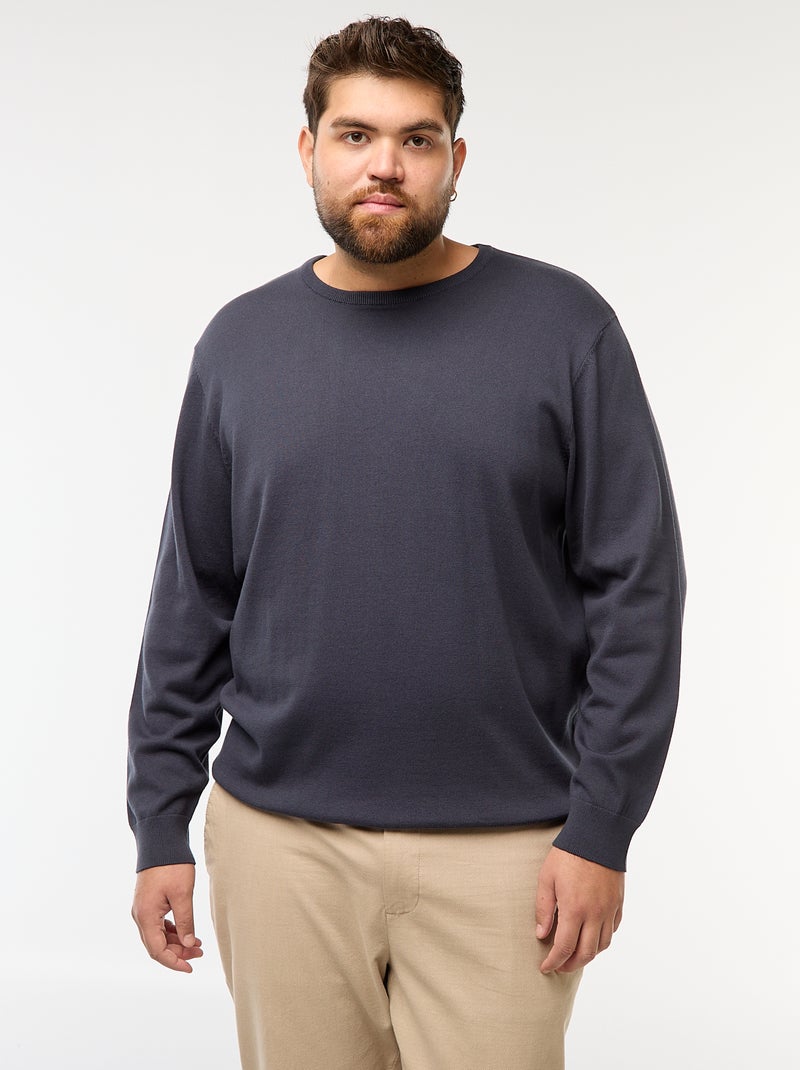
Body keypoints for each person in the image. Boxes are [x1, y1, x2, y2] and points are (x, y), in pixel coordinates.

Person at [128, 15, 686, 1070]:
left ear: (454, 158)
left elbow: (637, 592)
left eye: (416, 139)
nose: (384, 165)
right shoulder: (240, 345)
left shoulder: (564, 328)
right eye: (355, 135)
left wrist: (601, 827)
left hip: (509, 852)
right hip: (278, 845)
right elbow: (191, 598)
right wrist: (160, 823)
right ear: (308, 150)